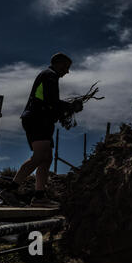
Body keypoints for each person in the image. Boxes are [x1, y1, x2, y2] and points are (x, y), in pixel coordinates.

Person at [8, 53, 83, 208]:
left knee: (47, 157)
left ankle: (39, 197)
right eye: (65, 67)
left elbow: (51, 104)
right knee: (40, 155)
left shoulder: (49, 76)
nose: (67, 71)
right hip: (37, 119)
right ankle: (10, 190)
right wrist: (70, 107)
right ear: (57, 63)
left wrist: (66, 108)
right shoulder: (50, 75)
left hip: (41, 120)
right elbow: (51, 102)